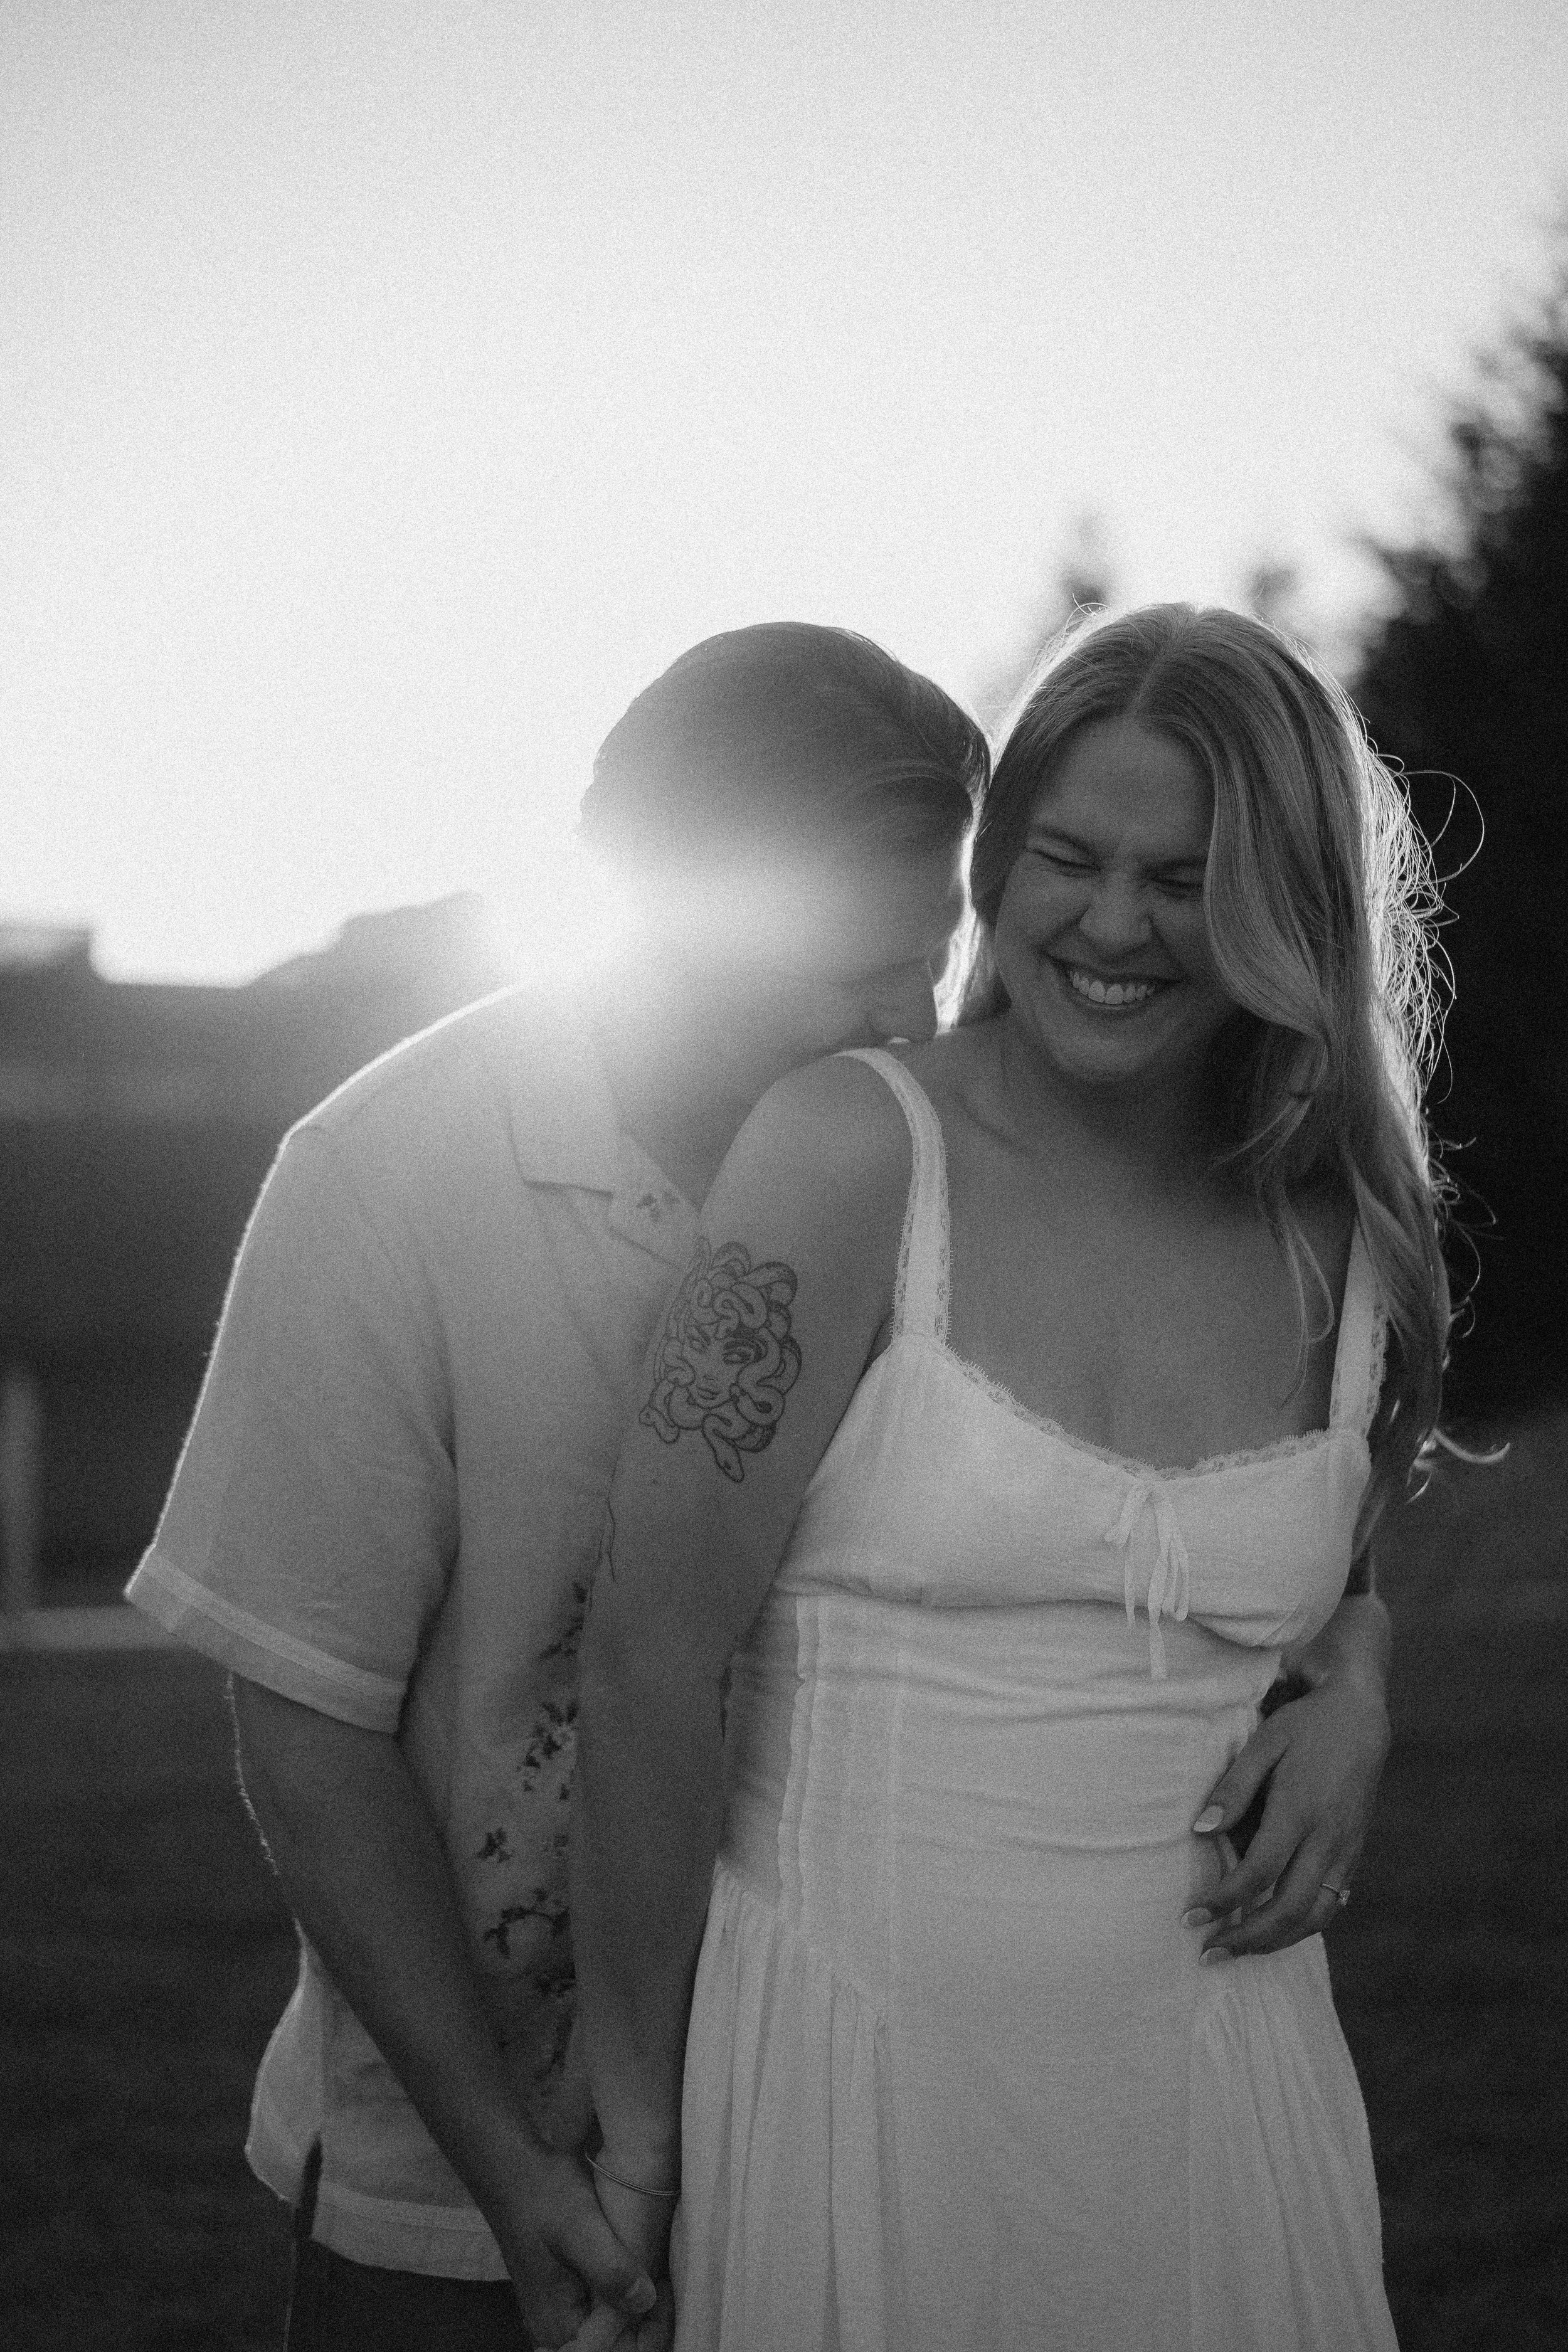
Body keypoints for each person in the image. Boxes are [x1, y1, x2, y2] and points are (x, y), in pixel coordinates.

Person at [572, 605, 1444, 2349]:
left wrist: (1356, 1687)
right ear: (996, 865)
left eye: (1182, 879)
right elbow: (649, 1660)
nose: (1110, 925)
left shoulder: (1344, 1236)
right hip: (855, 2088)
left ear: (1285, 909)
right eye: (1067, 857)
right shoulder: (845, 1152)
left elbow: (1324, 1582)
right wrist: (641, 2125)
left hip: (1226, 2103)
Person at [125, 622, 987, 2351]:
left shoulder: (933, 1154)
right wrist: (516, 2178)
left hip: (856, 2139)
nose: (910, 1014)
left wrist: (1346, 1656)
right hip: (462, 2187)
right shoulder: (378, 1175)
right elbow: (309, 1734)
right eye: (859, 961)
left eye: (937, 948)